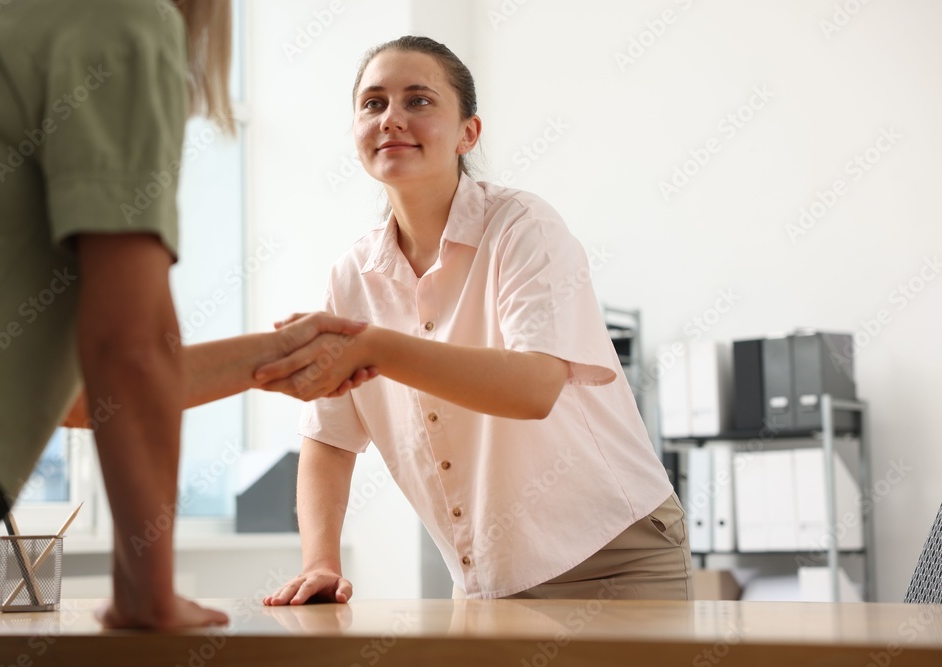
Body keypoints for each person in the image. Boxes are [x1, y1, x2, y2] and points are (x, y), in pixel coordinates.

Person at [0, 0, 370, 629]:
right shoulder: (121, 20)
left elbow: (89, 392)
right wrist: (146, 595)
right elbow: (128, 351)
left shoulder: (3, 29)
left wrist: (277, 354)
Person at [260, 36, 692, 604]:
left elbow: (533, 387)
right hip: (487, 581)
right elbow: (329, 439)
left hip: (613, 556)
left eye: (418, 101)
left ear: (468, 133)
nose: (392, 118)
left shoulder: (522, 227)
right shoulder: (350, 277)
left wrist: (374, 348)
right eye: (373, 103)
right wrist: (320, 561)